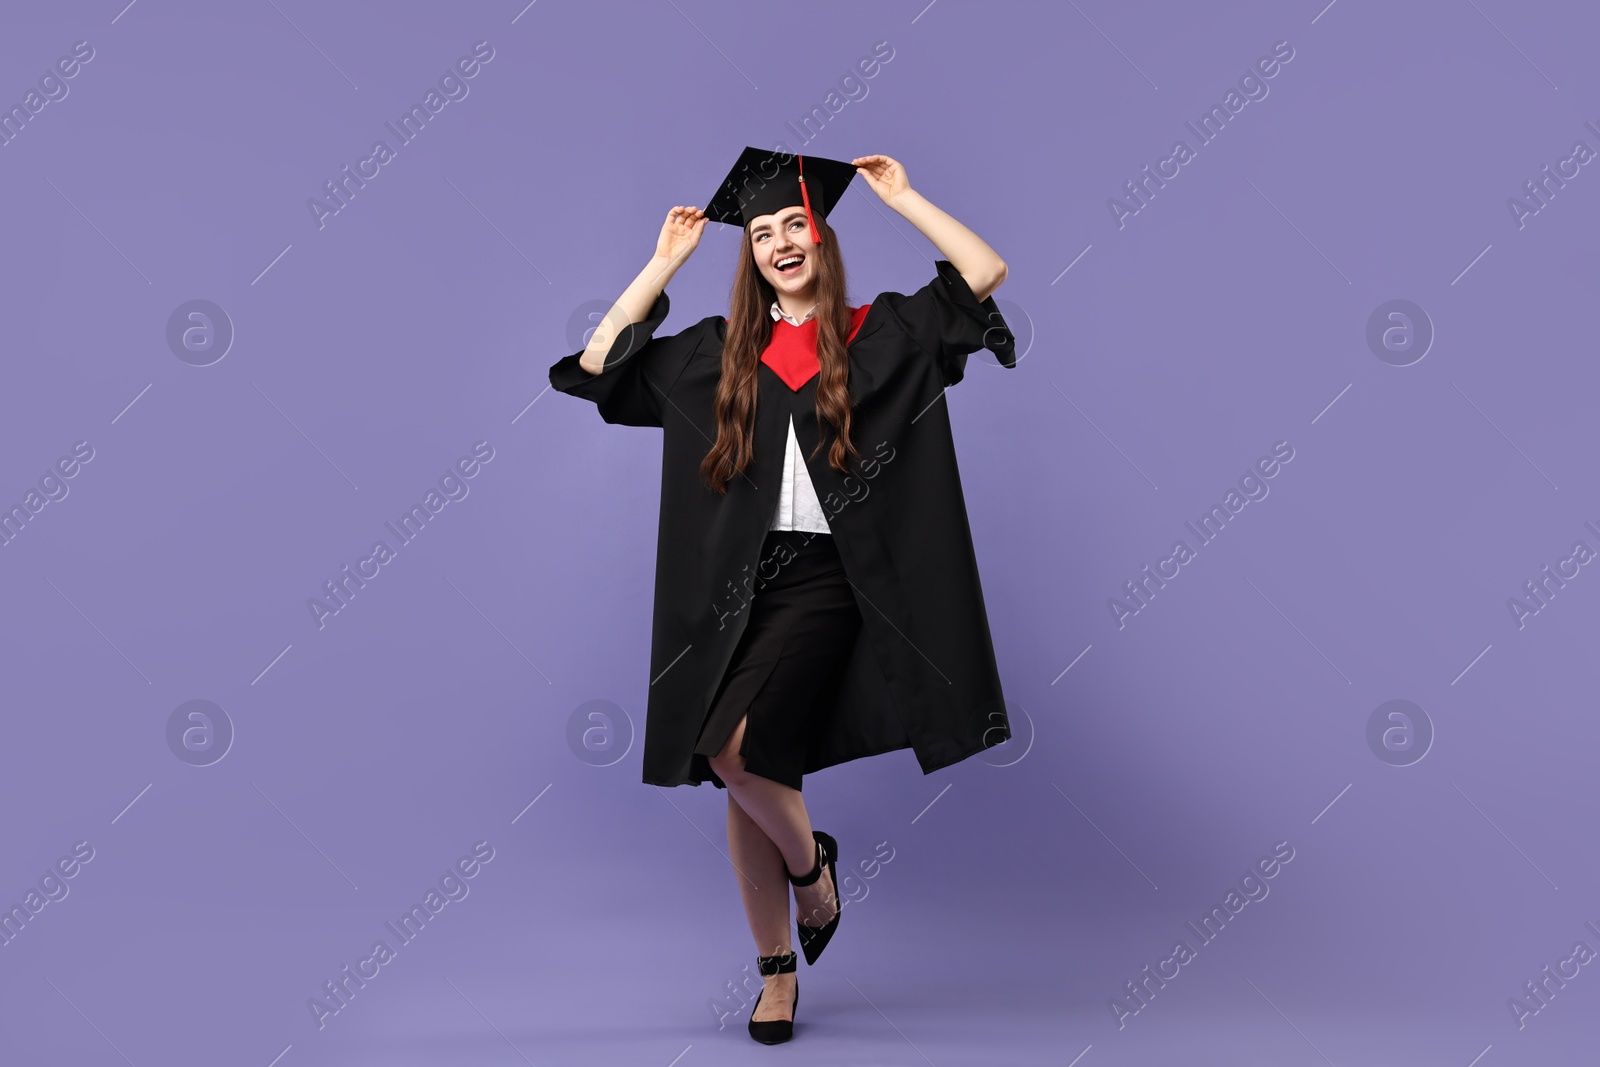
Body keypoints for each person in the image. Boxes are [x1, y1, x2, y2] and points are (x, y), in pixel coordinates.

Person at [548, 147, 1016, 1044]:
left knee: (731, 750)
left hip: (831, 578)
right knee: (745, 769)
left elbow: (985, 274)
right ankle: (776, 971)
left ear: (822, 236)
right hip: (737, 588)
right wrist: (662, 264)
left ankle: (812, 875)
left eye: (793, 224)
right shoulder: (718, 356)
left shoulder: (882, 332)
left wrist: (905, 198)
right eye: (761, 233)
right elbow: (599, 363)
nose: (777, 243)